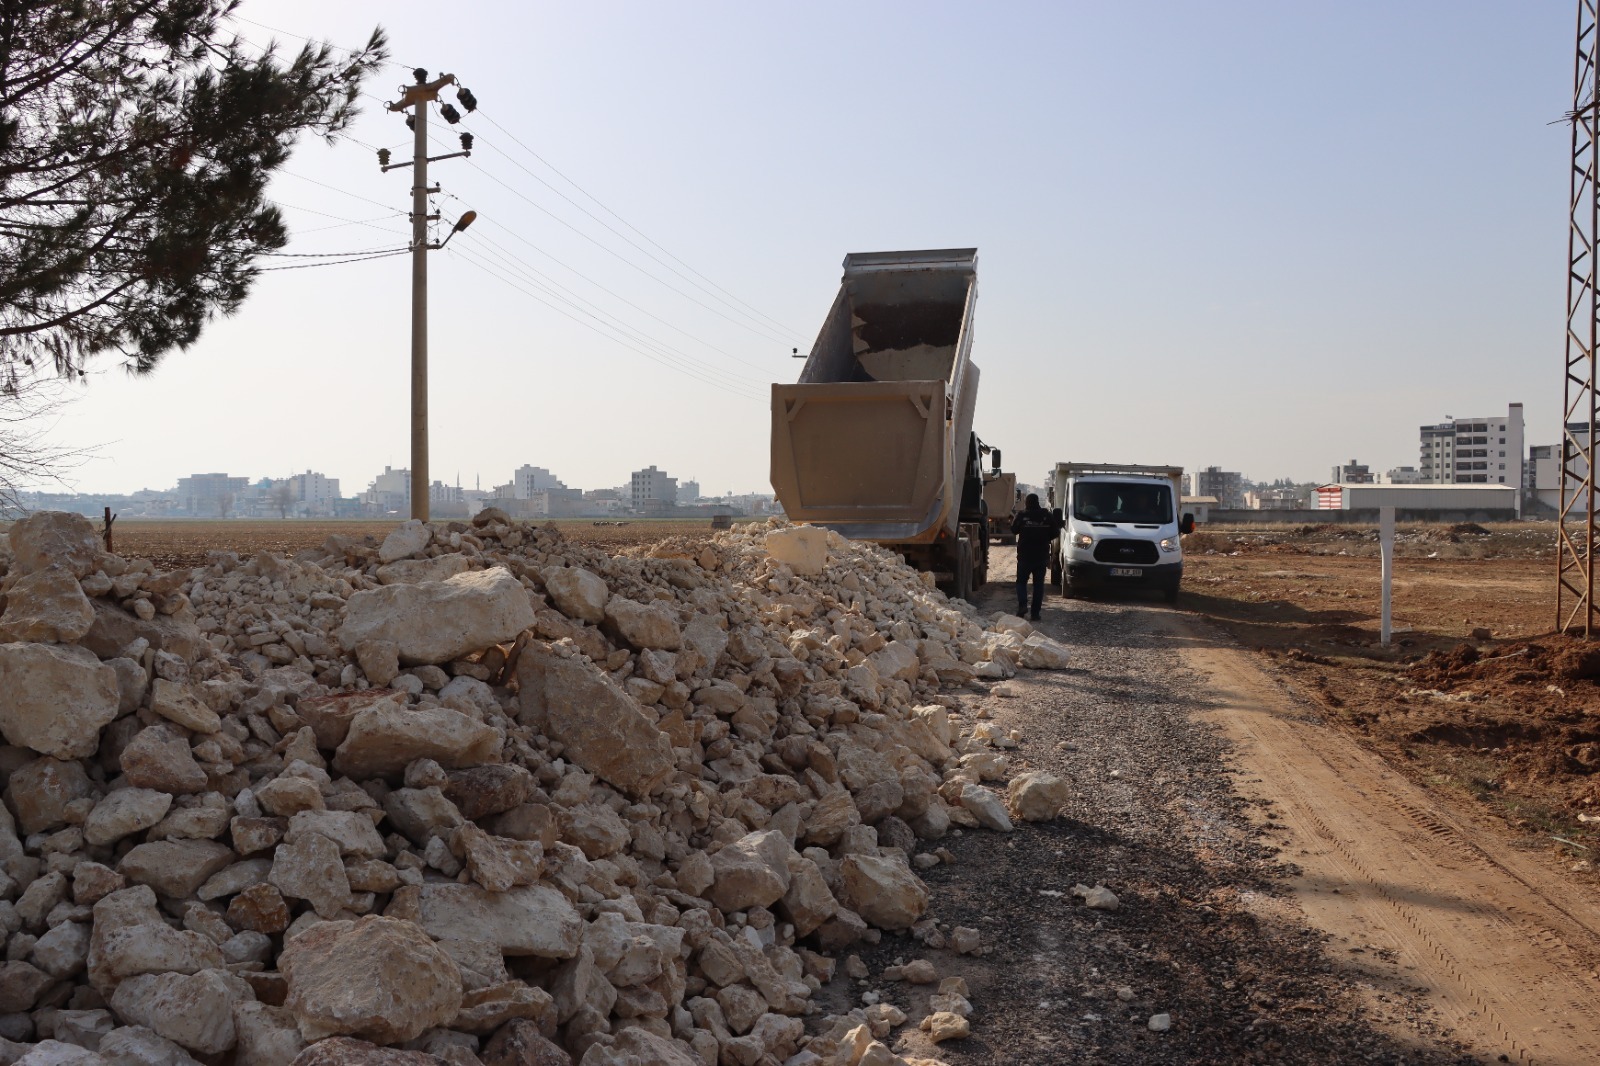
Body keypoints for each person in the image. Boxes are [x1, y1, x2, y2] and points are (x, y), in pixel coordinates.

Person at [1011, 493, 1062, 620]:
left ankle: (1022, 606)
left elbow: (1013, 530)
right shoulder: (1047, 516)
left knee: (1021, 582)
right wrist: (1045, 538)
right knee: (1038, 585)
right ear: (1038, 501)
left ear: (1027, 503)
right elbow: (1056, 532)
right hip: (1041, 556)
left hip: (1024, 556)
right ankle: (1035, 614)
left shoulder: (1022, 515)